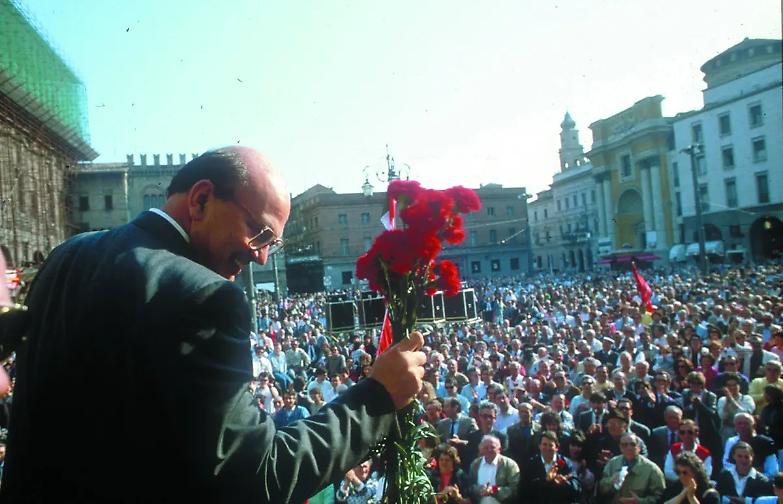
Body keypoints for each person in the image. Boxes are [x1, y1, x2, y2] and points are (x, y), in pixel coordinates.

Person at [0, 147, 426, 502]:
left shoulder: (67, 255)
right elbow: (256, 477)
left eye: (271, 245)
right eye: (259, 233)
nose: (261, 256)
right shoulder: (204, 295)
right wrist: (376, 396)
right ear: (201, 200)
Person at [597, 433, 665, 504]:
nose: (629, 448)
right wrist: (612, 480)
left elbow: (659, 497)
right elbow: (602, 488)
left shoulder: (652, 469)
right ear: (620, 447)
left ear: (638, 447)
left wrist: (640, 502)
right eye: (624, 445)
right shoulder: (612, 463)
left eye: (633, 444)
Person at [518, 430, 581, 504]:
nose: (547, 448)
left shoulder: (566, 463)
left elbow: (578, 488)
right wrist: (545, 480)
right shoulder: (531, 464)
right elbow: (524, 490)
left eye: (551, 445)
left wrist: (565, 483)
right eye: (544, 444)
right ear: (539, 446)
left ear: (557, 447)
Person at [468, 435, 519, 503]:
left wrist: (494, 490)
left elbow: (514, 488)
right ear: (481, 449)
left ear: (499, 449)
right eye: (486, 448)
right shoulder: (475, 464)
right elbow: (470, 485)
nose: (489, 450)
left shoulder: (509, 465)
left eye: (492, 447)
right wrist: (479, 489)